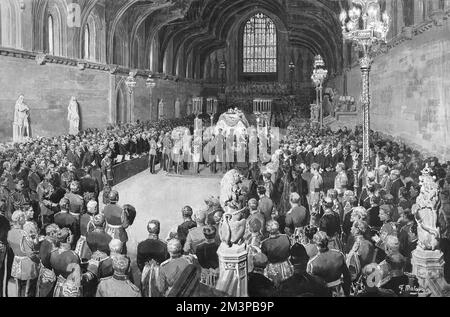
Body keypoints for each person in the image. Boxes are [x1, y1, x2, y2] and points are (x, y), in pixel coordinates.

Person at [307, 231, 351, 297]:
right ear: (327, 242)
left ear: (316, 244)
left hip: (323, 293)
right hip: (339, 292)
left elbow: (311, 286)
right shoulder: (339, 255)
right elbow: (347, 276)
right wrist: (347, 293)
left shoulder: (312, 263)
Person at [7, 210, 39, 297]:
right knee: (28, 291)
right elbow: (30, 254)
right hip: (27, 265)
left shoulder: (9, 232)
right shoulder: (23, 234)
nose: (25, 218)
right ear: (19, 219)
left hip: (17, 262)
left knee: (19, 289)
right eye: (23, 217)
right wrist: (38, 260)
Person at [138, 220, 169, 297]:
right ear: (158, 230)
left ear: (148, 229)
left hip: (145, 271)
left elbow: (139, 262)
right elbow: (166, 262)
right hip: (159, 273)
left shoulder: (141, 244)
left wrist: (145, 268)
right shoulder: (164, 245)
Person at [261, 220, 293, 286]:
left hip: (272, 269)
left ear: (268, 229)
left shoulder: (265, 243)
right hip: (286, 266)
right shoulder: (285, 237)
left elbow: (264, 258)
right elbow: (289, 251)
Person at [50, 228, 80, 297]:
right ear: (68, 239)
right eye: (72, 235)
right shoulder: (73, 256)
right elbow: (77, 278)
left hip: (58, 287)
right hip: (69, 290)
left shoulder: (53, 253)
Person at [102, 190, 129, 254]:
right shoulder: (121, 210)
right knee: (122, 250)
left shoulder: (105, 208)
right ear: (117, 198)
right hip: (119, 233)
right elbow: (125, 225)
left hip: (108, 231)